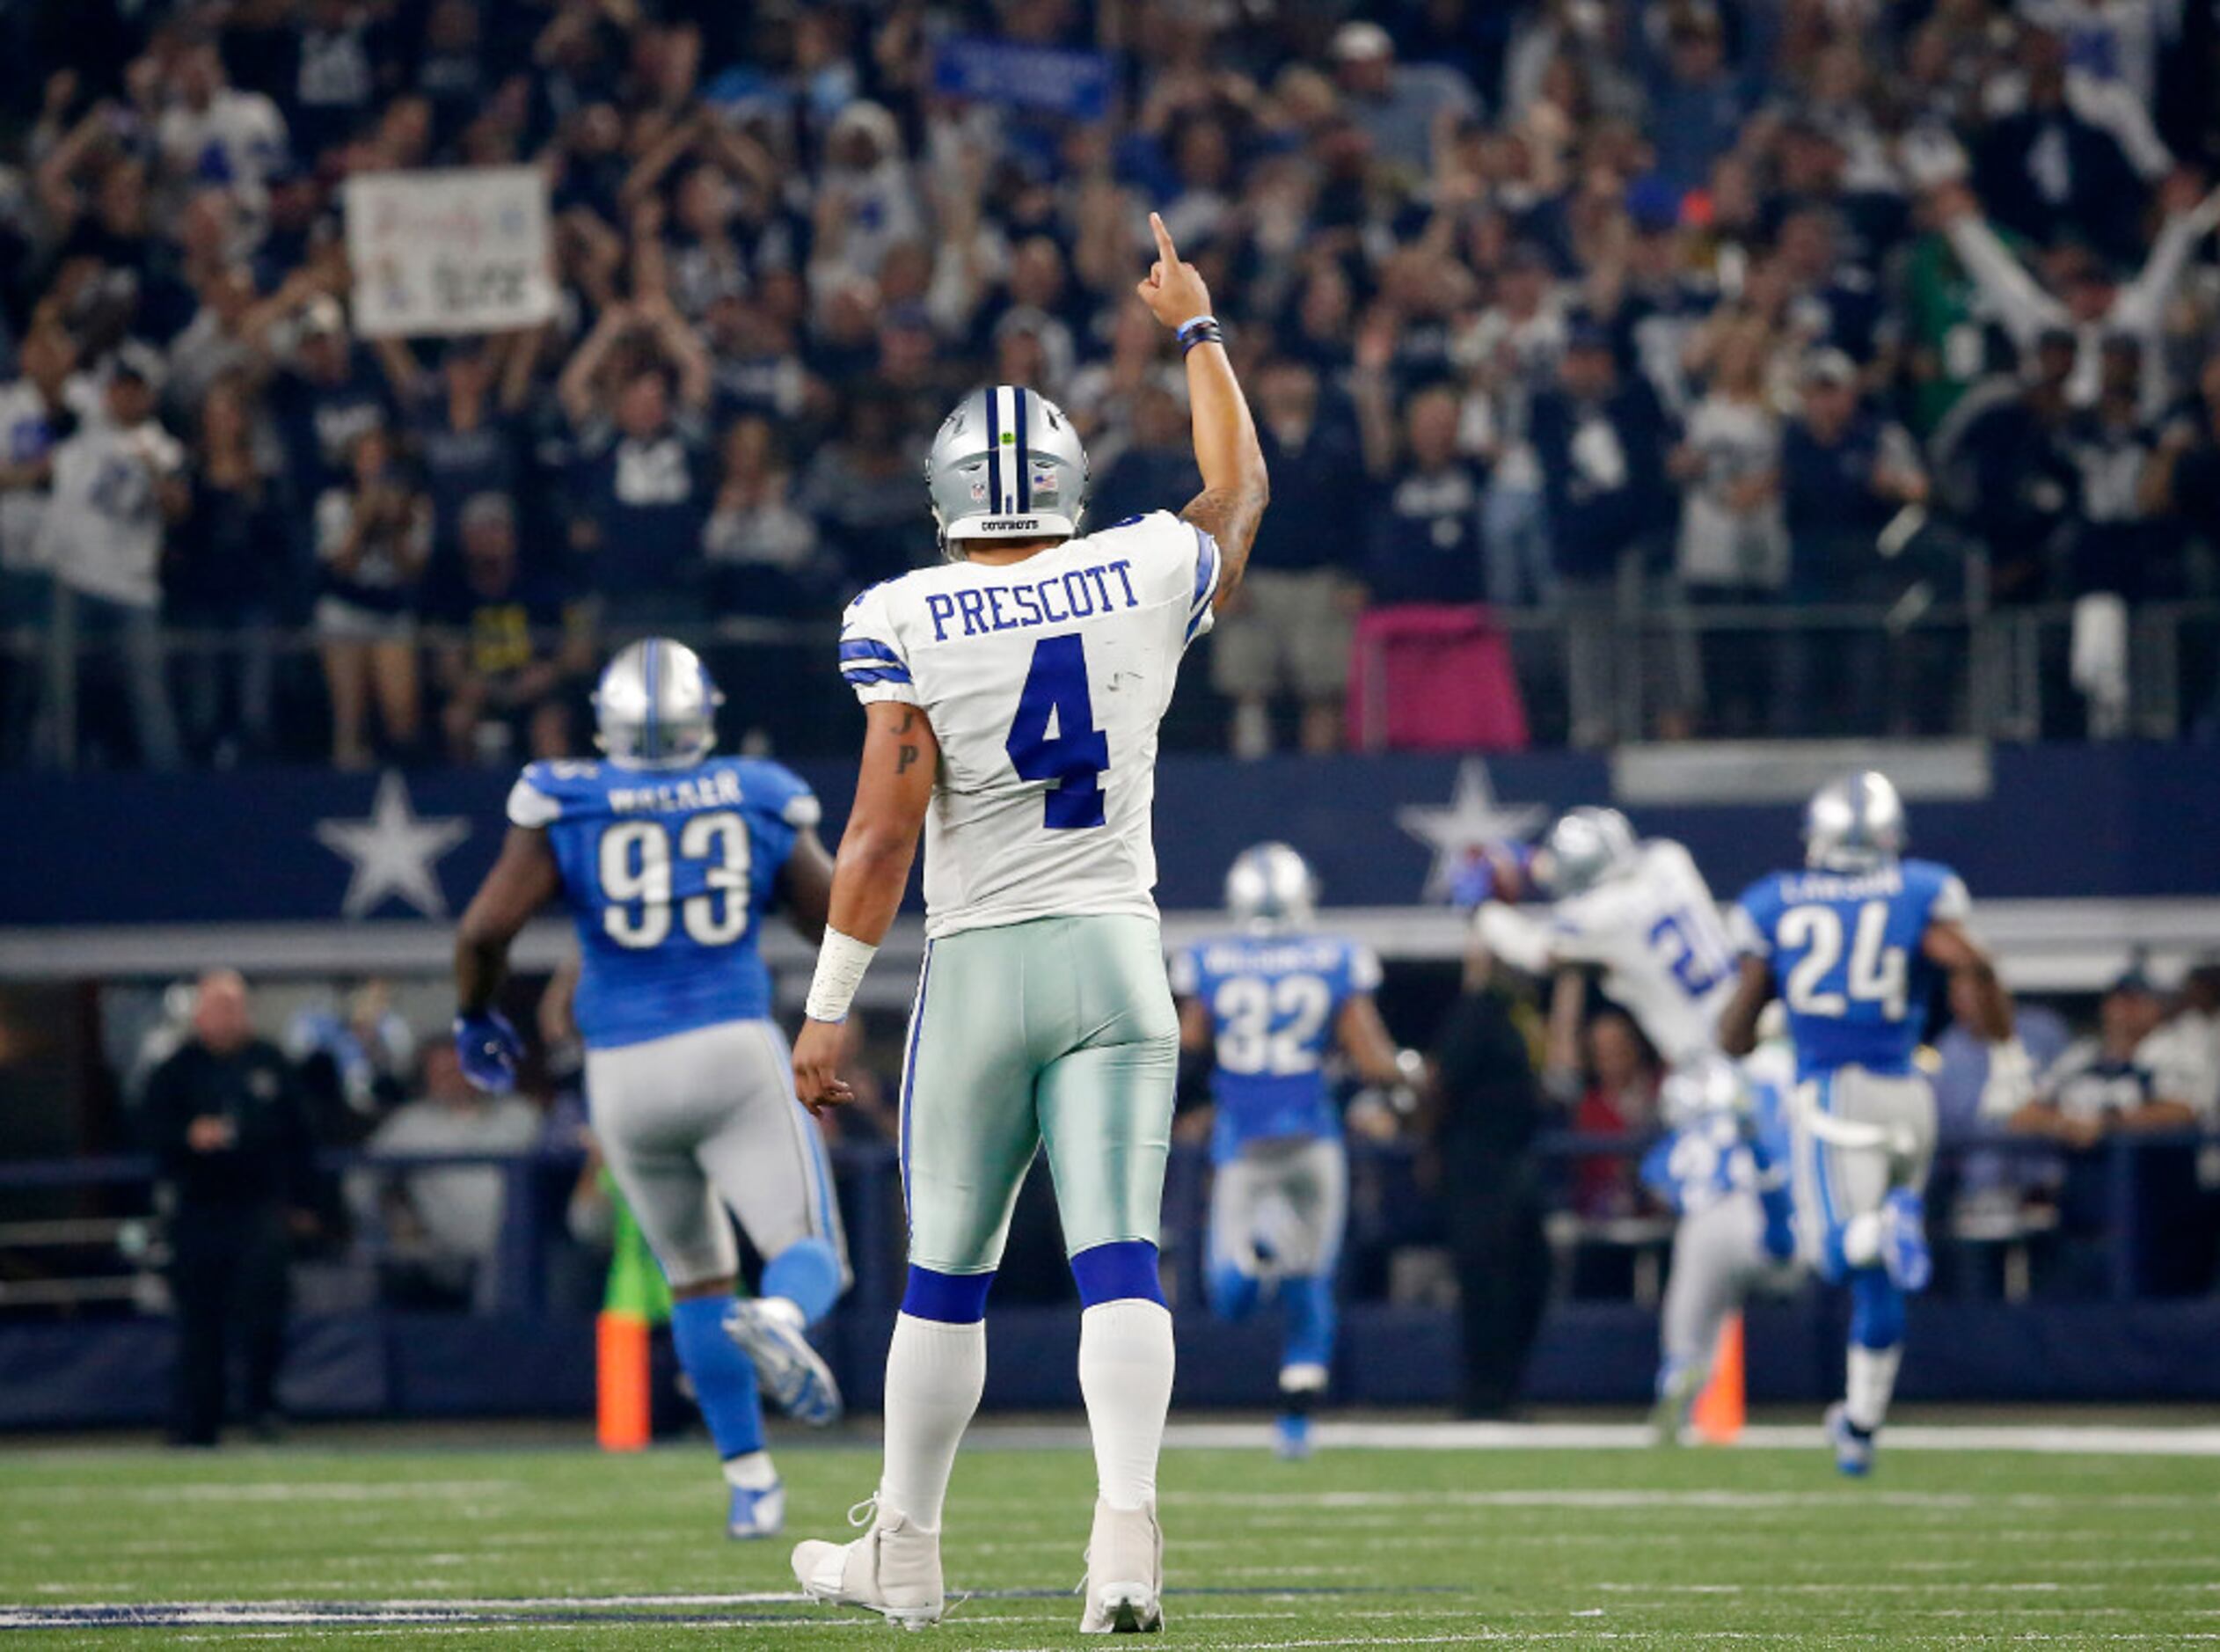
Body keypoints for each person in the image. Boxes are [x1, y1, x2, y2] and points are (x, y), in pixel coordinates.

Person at [785, 212, 1267, 1634]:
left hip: (985, 958)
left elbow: (877, 831)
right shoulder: (1136, 566)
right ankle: (1123, 1544)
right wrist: (1194, 326)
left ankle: (909, 1553)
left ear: (943, 501)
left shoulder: (907, 609)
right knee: (1121, 1251)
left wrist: (824, 1001)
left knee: (945, 1275)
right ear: (1065, 486)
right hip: (1119, 949)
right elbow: (1235, 492)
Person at [452, 637, 851, 1540]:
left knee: (694, 1277)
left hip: (622, 1073)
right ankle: (783, 1316)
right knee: (807, 1247)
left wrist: (477, 1019)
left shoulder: (568, 795)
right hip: (730, 1045)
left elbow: (485, 932)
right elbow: (835, 917)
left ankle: (751, 1482)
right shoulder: (752, 788)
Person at [1721, 771, 2019, 1475]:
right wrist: (2003, 1041)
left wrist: (1749, 1026)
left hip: (1834, 1093)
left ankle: (1882, 1228)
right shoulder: (1920, 888)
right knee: (1877, 1280)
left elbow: (1734, 1033)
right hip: (1908, 1095)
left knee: (1831, 1252)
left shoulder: (1774, 901)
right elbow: (1971, 963)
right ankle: (1860, 1423)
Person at [1470, 807, 1794, 1433]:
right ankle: (1684, 1365)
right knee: (1725, 1222)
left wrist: (1481, 907)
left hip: (1713, 1073)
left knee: (1718, 1234)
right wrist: (1528, 861)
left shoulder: (1603, 917)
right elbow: (1585, 881)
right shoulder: (1668, 860)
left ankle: (1689, 1357)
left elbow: (1538, 947)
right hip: (1772, 1056)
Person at [1168, 843, 1420, 1459]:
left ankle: (1261, 1253)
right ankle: (1296, 1426)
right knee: (1312, 1282)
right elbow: (1372, 1058)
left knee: (1228, 1294)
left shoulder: (1208, 960)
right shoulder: (1336, 957)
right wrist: (1407, 1077)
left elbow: (1185, 1050)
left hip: (1244, 1139)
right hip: (1314, 1135)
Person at [142, 970, 315, 1446]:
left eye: (234, 1007)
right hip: (198, 1208)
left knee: (263, 1313)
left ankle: (262, 1409)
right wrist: (187, 1137)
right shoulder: (176, 1069)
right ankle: (198, 1421)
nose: (226, 1017)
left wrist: (305, 1202)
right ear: (199, 1013)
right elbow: (149, 1133)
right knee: (200, 1322)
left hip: (258, 1208)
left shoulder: (270, 1063)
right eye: (216, 1007)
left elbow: (303, 1137)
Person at [1637, 1033, 1800, 1441]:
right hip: (1763, 1210)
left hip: (1704, 1220)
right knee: (1792, 1267)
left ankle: (1678, 1379)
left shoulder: (1698, 1119)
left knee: (1689, 1335)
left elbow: (1657, 1177)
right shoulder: (1774, 1104)